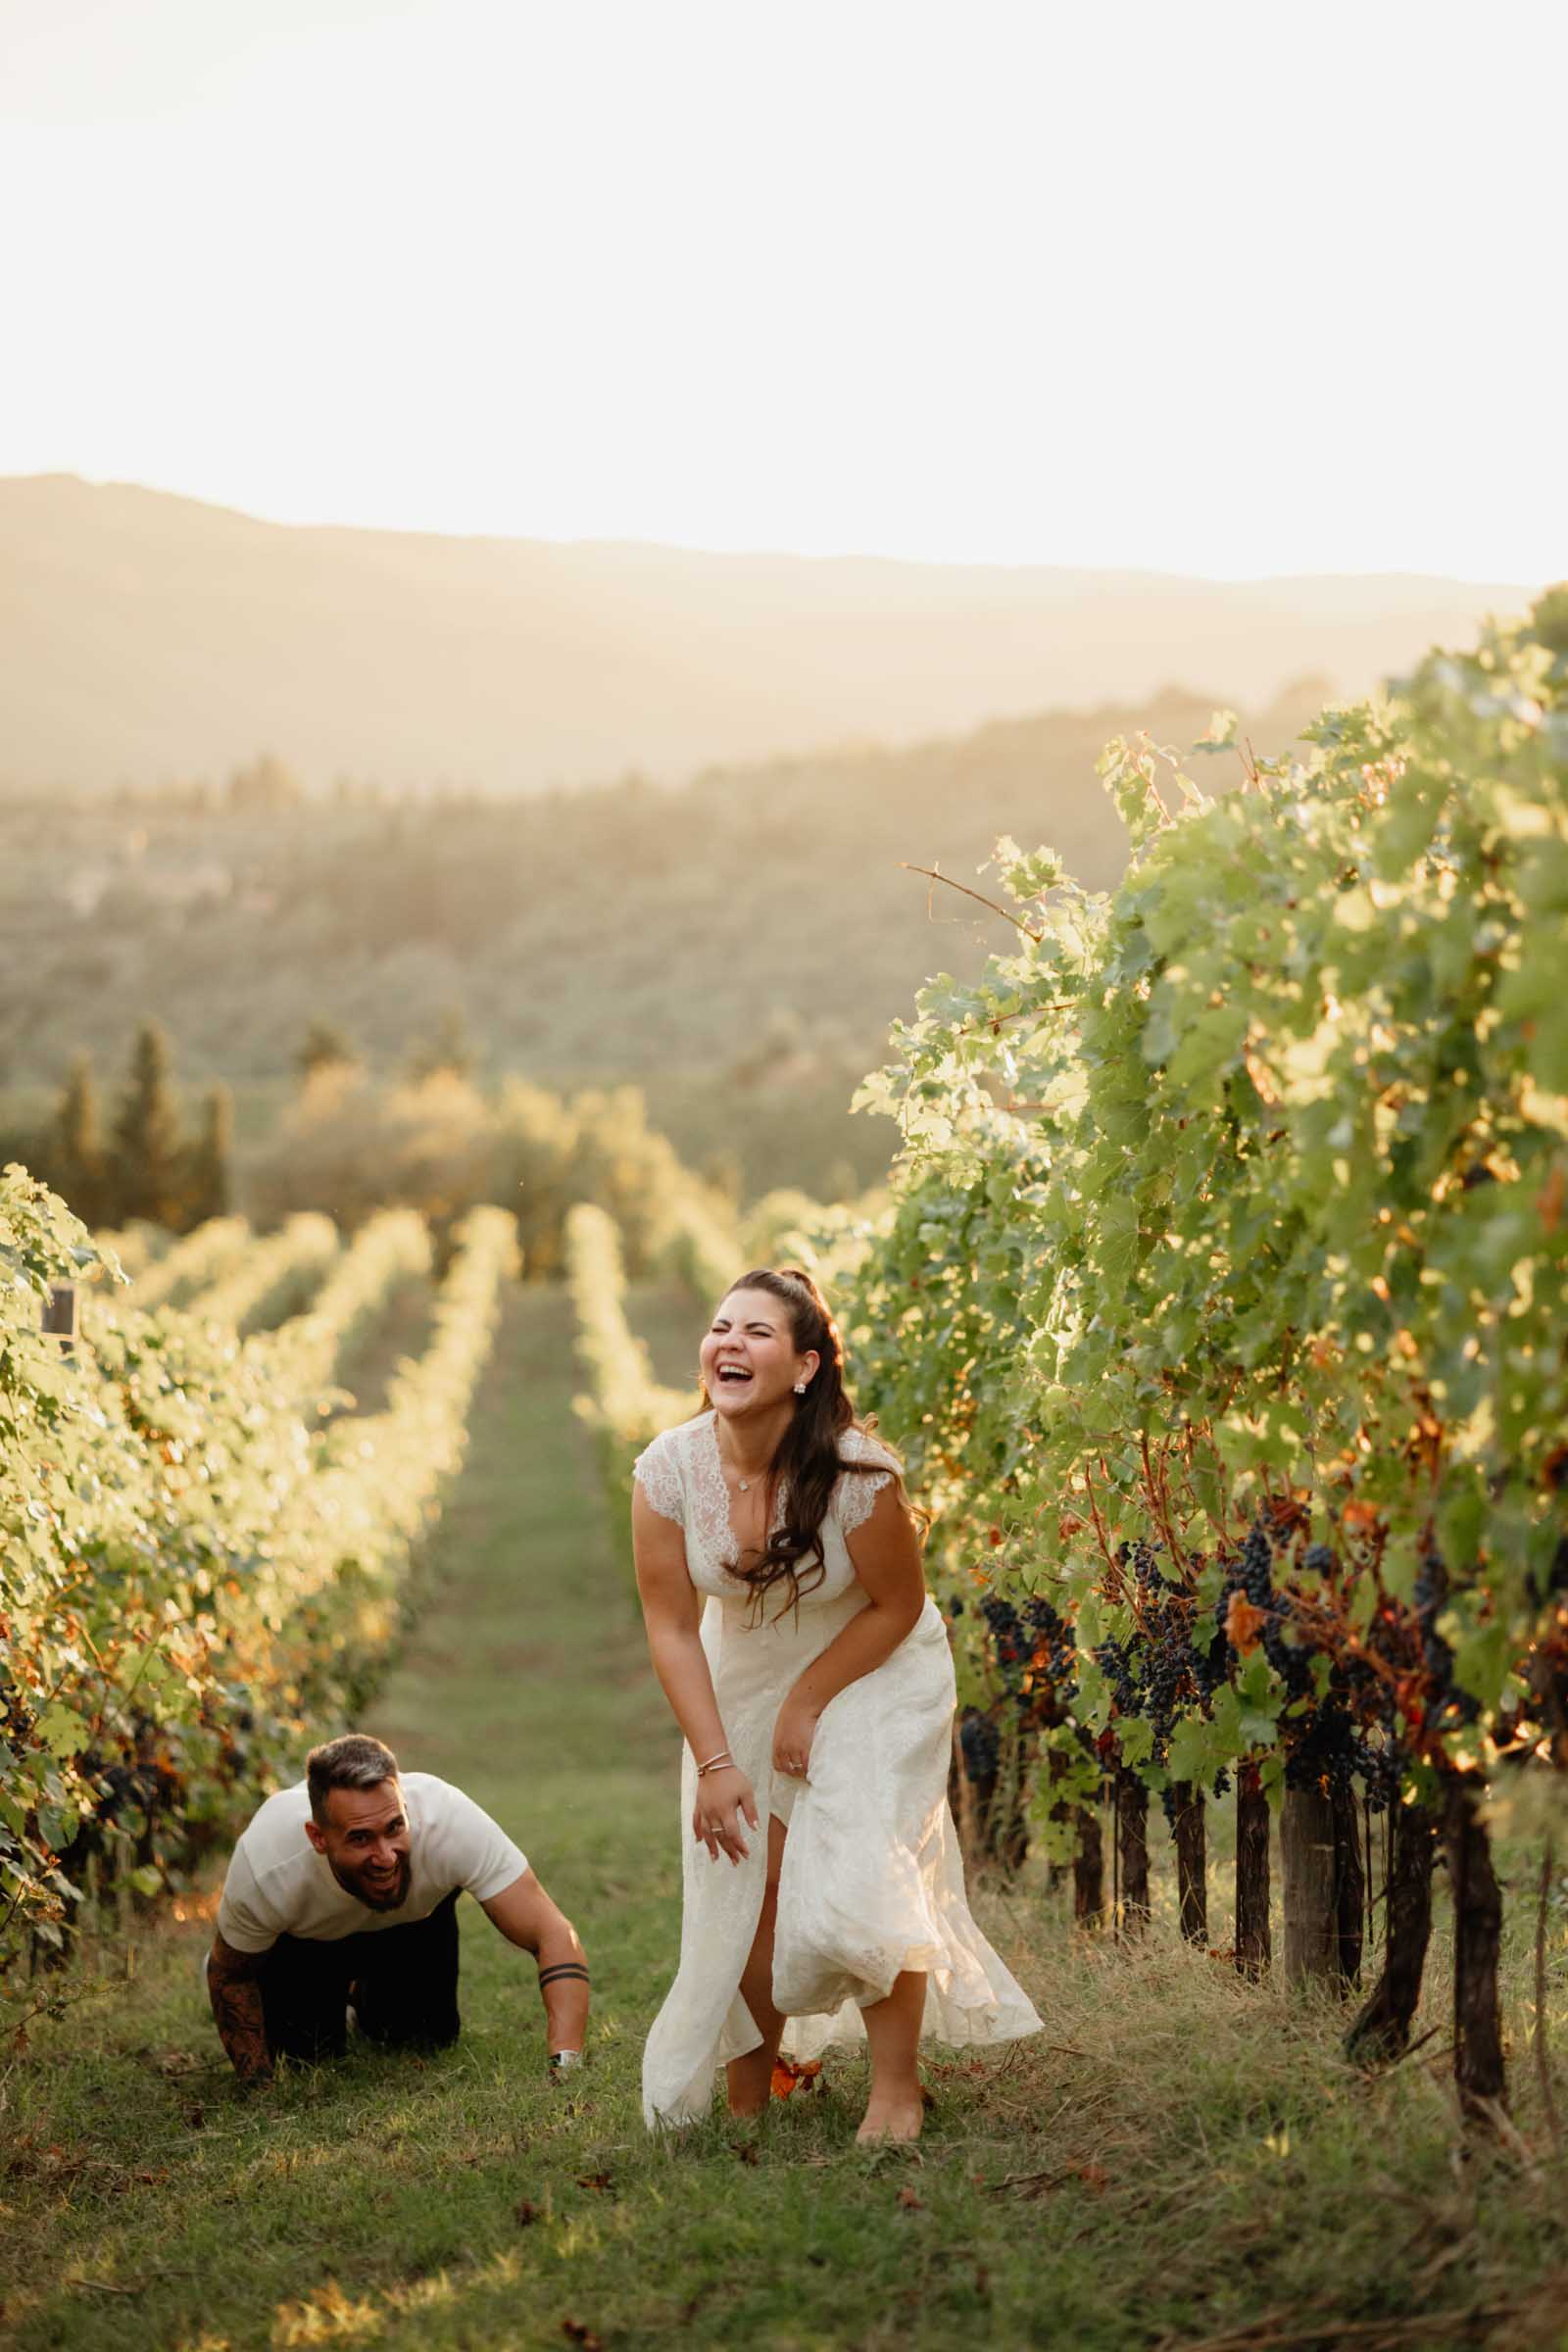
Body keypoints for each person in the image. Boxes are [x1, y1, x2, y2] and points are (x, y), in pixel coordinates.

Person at [632, 1265, 1041, 2140]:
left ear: (806, 1366)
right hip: (741, 1667)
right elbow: (670, 1627)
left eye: (756, 1333)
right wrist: (714, 1763)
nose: (728, 1344)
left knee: (855, 1844)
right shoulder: (667, 1469)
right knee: (748, 1881)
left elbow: (897, 1606)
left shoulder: (859, 1474)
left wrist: (808, 1702)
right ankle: (749, 2098)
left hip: (875, 1663)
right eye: (720, 1327)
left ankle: (896, 2090)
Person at [204, 1734, 588, 2084]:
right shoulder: (267, 1861)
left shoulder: (449, 1820)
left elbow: (552, 1933)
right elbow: (229, 1973)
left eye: (394, 1827)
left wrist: (565, 2063)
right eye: (360, 1838)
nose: (385, 1856)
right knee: (308, 2056)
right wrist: (259, 2087)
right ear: (318, 1838)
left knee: (424, 2038)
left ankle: (367, 1996)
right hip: (305, 1947)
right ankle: (332, 1995)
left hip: (410, 1927)